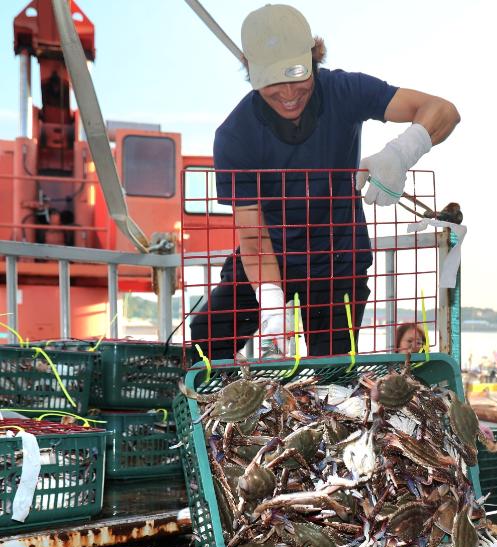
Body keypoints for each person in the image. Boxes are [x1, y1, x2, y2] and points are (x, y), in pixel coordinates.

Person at [190, 4, 460, 359]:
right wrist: (272, 311)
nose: (288, 94)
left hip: (338, 257)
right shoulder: (234, 135)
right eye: (273, 83)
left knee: (331, 368)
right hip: (271, 251)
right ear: (252, 75)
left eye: (297, 76)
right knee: (204, 340)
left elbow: (444, 111)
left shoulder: (343, 91)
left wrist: (401, 153)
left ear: (314, 59)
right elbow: (254, 238)